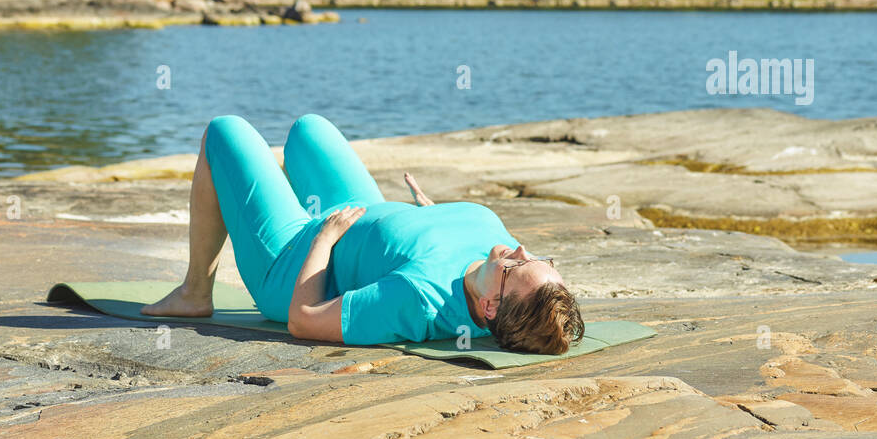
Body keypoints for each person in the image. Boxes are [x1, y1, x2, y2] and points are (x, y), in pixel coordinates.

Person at [142, 113, 585, 355]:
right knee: (308, 129)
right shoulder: (495, 262)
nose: (522, 250)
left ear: (489, 307)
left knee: (225, 131)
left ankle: (195, 292)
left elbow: (304, 320)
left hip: (296, 256)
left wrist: (323, 239)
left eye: (519, 266)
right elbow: (444, 250)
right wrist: (429, 217)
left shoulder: (417, 298)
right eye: (541, 259)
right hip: (354, 214)